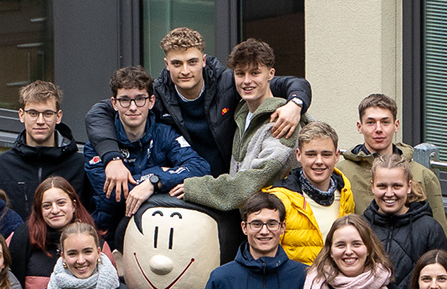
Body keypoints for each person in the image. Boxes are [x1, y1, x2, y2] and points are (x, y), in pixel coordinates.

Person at [83, 26, 311, 182]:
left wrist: (296, 104)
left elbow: (291, 83)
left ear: (203, 60)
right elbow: (98, 113)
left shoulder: (229, 82)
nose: (185, 70)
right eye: (177, 63)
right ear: (166, 64)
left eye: (192, 62)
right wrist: (112, 158)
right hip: (186, 183)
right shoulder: (158, 94)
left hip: (228, 182)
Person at [171, 39, 299, 210]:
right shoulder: (240, 113)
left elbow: (252, 181)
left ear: (271, 74)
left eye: (255, 73)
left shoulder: (282, 120)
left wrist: (194, 188)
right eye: (240, 74)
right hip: (249, 222)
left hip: (277, 227)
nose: (246, 81)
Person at [84, 65, 208, 237]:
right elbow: (113, 194)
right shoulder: (99, 144)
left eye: (140, 99)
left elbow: (200, 167)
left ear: (151, 101)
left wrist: (154, 182)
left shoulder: (165, 133)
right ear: (114, 103)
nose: (133, 107)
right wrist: (157, 174)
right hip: (109, 233)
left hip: (158, 233)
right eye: (125, 100)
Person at [0, 81, 97, 219]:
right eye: (33, 113)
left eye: (47, 113)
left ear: (58, 116)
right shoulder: (1, 165)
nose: (40, 121)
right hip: (17, 240)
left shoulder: (80, 165)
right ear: (21, 115)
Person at [361, 151, 447, 289]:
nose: (389, 193)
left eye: (396, 186)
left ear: (408, 186)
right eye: (382, 186)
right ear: (372, 186)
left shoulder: (429, 229)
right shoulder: (361, 227)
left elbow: (444, 279)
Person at [266, 120, 352, 265]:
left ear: (337, 156)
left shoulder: (345, 192)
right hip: (297, 285)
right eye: (311, 154)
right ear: (299, 155)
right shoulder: (279, 200)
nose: (319, 161)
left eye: (326, 154)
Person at [341, 94, 445, 215]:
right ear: (359, 127)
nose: (378, 129)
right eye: (371, 122)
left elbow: (438, 229)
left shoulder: (422, 175)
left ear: (396, 125)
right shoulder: (342, 173)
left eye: (385, 122)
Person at [6, 176, 102, 289]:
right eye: (47, 206)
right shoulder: (21, 239)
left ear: (73, 206)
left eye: (61, 203)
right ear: (39, 210)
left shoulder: (95, 241)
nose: (55, 210)